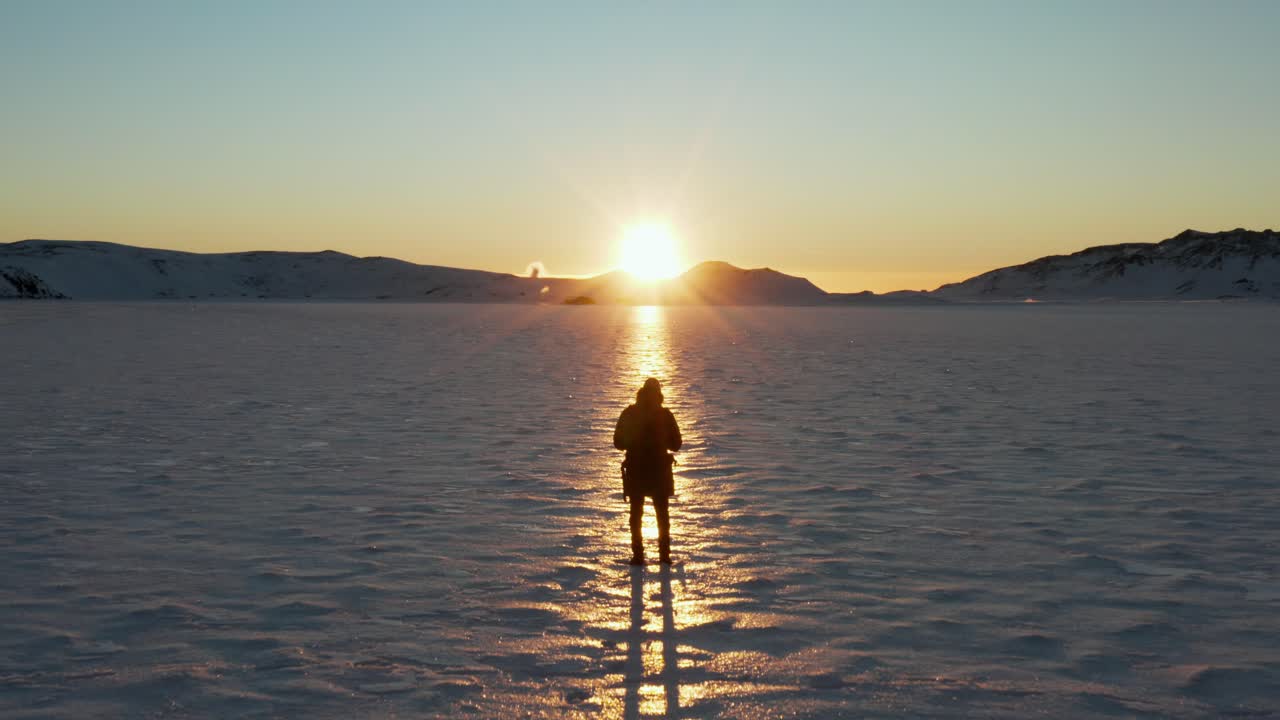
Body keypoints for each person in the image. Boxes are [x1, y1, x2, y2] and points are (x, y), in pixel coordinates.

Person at [613, 377, 682, 565]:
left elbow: (618, 443)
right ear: (659, 394)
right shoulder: (665, 415)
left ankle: (637, 556)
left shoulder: (629, 413)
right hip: (660, 471)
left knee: (636, 514)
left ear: (640, 393)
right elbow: (677, 445)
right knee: (662, 515)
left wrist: (634, 443)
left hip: (636, 471)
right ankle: (665, 557)